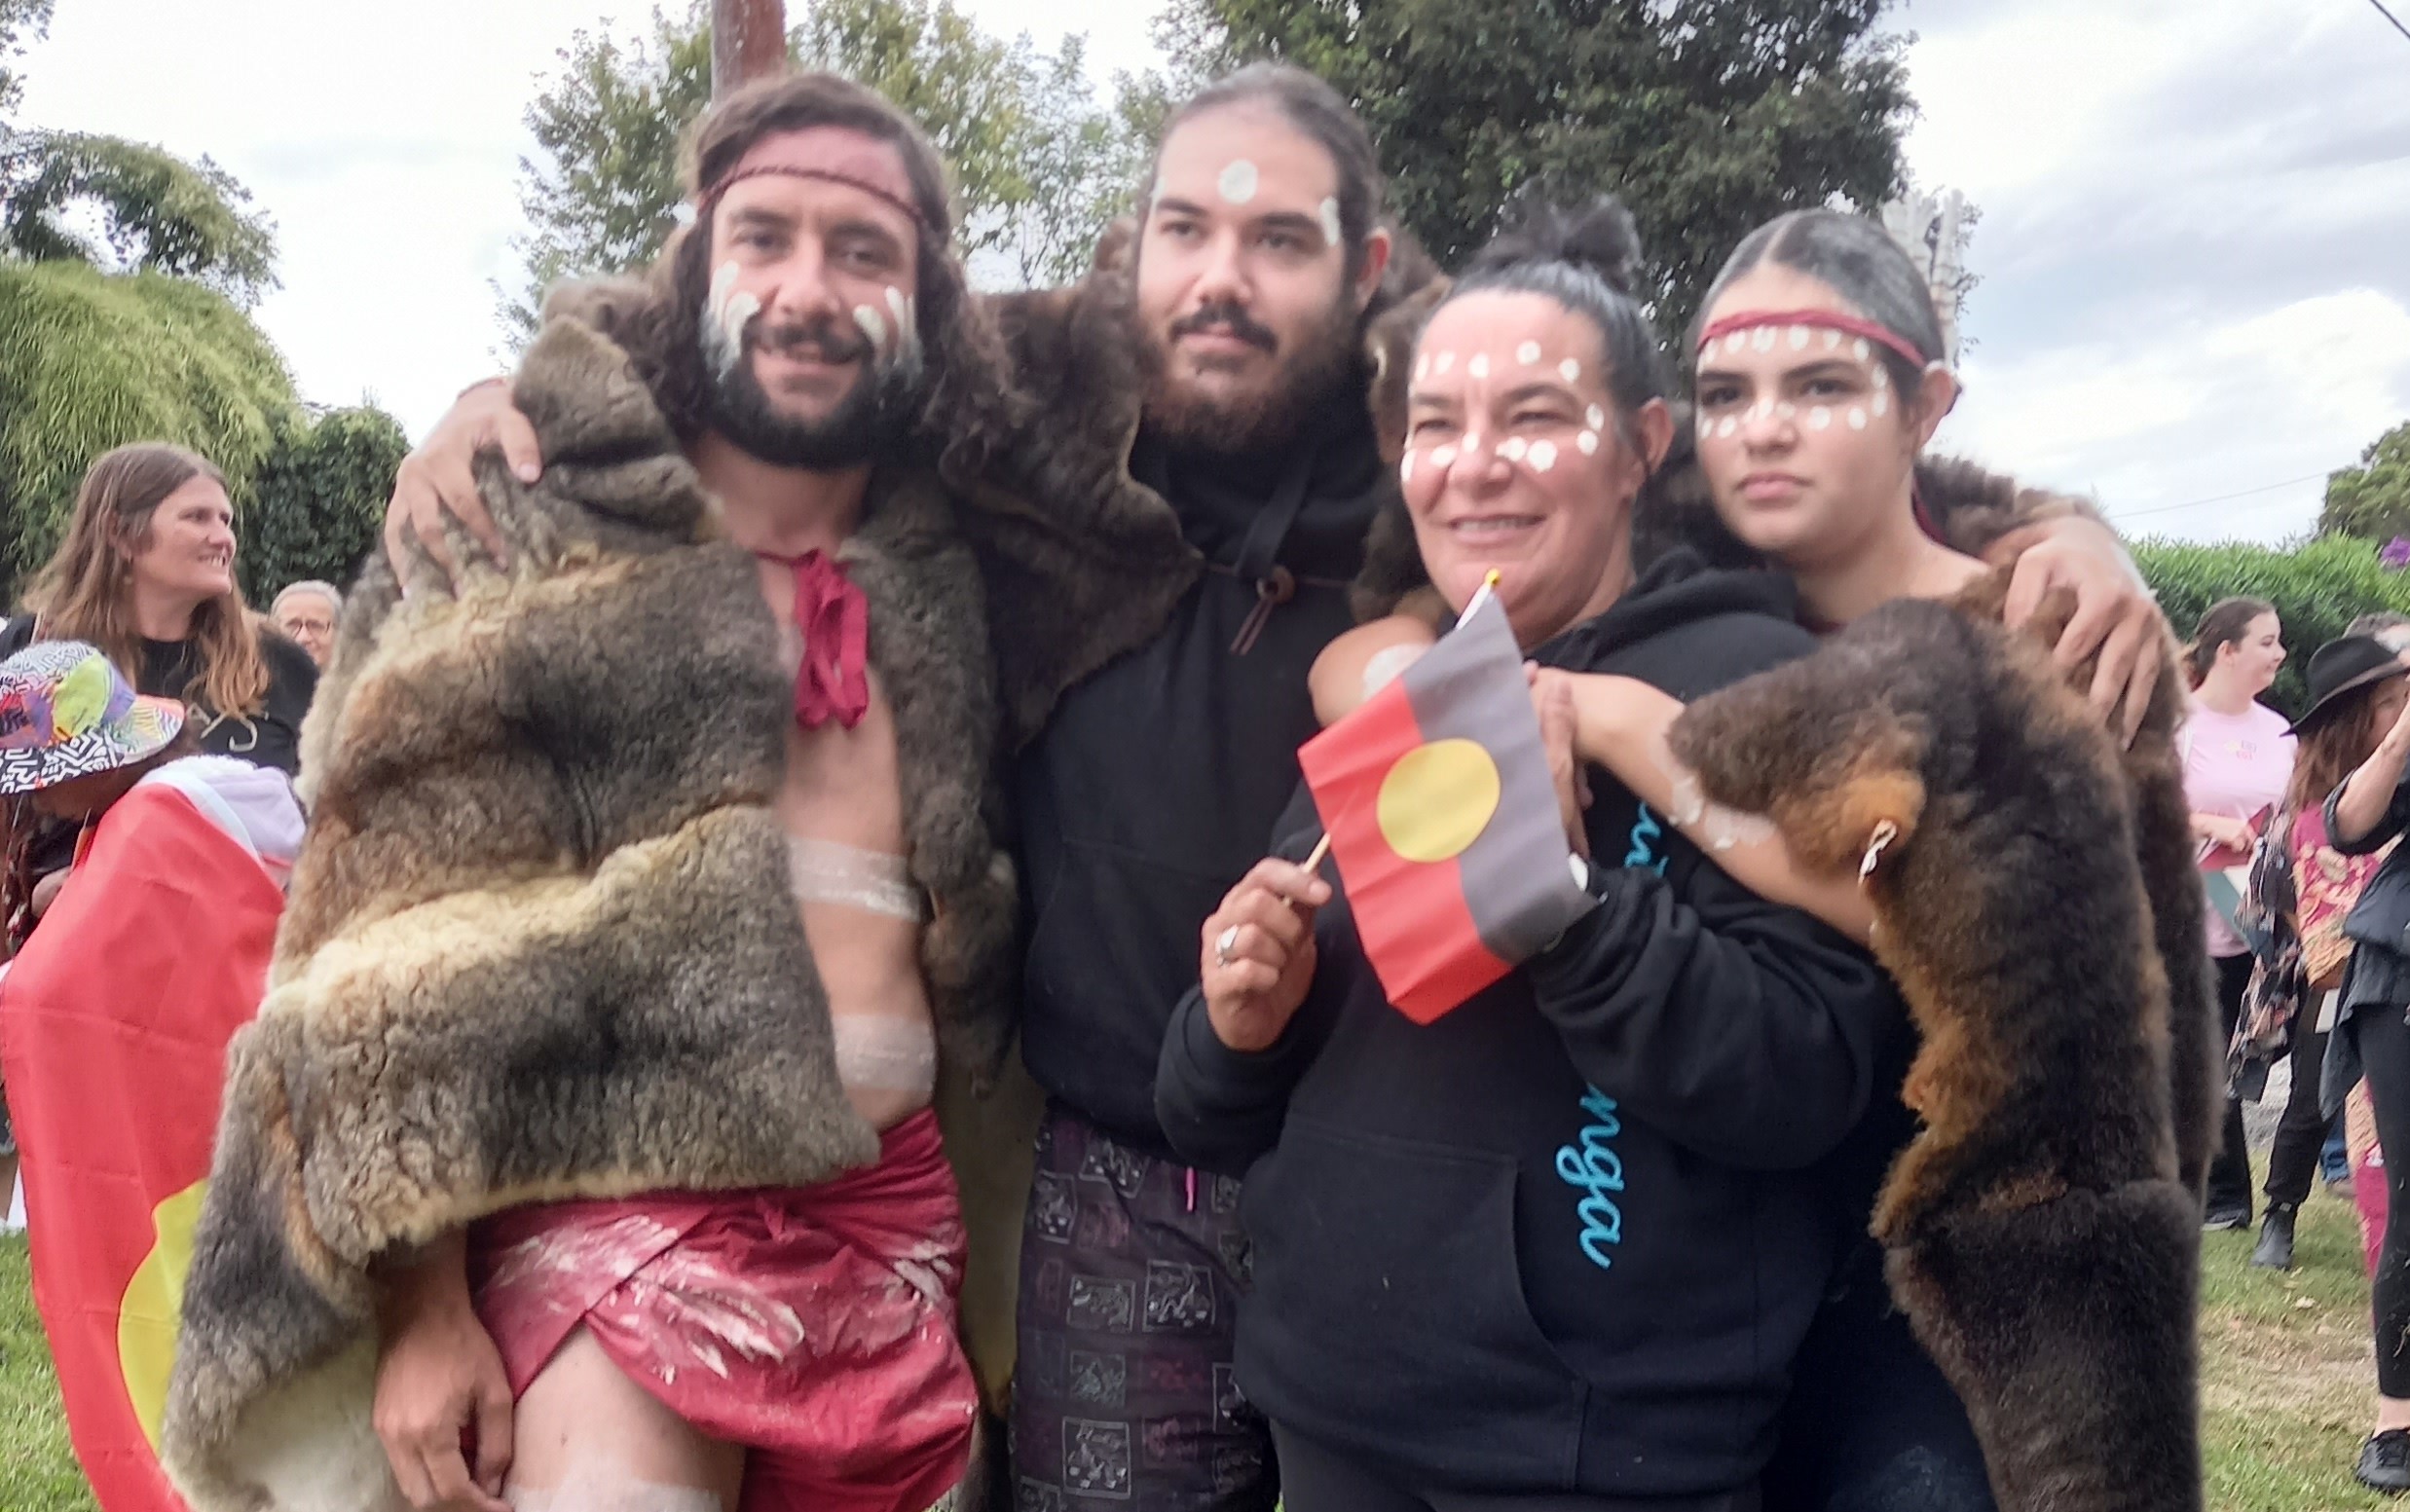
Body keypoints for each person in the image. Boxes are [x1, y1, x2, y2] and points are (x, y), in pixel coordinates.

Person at [389, 68, 2163, 1512]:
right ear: (1124, 252)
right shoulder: (1012, 427)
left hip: (1478, 1255)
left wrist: (2035, 529)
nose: (1224, 272)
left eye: (1280, 237)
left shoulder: (1430, 454)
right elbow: (779, 300)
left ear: (1366, 270)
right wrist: (522, 388)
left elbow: (1776, 467)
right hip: (1126, 1150)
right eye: (1185, 228)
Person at [325, 72, 1029, 1512]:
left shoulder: (968, 561)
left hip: (891, 1231)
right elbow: (385, 934)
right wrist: (419, 1302)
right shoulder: (536, 534)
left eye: (862, 252)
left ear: (930, 300)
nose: (807, 288)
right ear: (697, 262)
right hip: (613, 1227)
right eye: (763, 237)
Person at [1158, 194, 1894, 1511]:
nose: (1473, 464)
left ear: (1638, 448)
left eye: (1533, 418)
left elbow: (1809, 1081)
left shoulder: (1756, 689)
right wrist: (1232, 1021)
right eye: (1437, 426)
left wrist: (1566, 912)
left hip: (1604, 1458)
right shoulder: (1408, 692)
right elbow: (1207, 1105)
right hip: (1327, 1421)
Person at [0, 640, 303, 1512]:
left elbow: (62, 986)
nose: (34, 798)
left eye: (36, 778)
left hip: (218, 1130)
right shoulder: (147, 818)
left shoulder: (180, 807)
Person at [0, 444, 316, 939]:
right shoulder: (37, 649)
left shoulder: (279, 663)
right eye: (197, 517)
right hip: (70, 965)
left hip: (232, 969)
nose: (224, 538)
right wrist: (39, 889)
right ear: (121, 533)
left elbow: (339, 815)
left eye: (226, 520)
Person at [2241, 634, 2409, 1270]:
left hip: (2390, 967)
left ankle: (2383, 1219)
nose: (2401, 710)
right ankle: (2278, 1212)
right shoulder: (2307, 802)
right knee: (2311, 1095)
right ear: (2356, 717)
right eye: (2389, 701)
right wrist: (2321, 940)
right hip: (2330, 972)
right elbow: (2275, 892)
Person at [2318, 630, 2410, 1493]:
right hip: (2402, 975)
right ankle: (2396, 1420)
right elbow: (2346, 825)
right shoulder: (2394, 748)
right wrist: (2402, 730)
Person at [2180, 597, 2294, 1231]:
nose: (2279, 653)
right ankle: (2205, 1194)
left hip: (2254, 912)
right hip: (2179, 909)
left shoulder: (2280, 733)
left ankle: (2239, 1197)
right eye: (2265, 641)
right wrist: (2206, 822)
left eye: (2278, 641)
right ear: (2225, 651)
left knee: (2233, 1050)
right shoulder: (2174, 725)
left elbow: (2299, 808)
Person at [269, 579, 343, 667]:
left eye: (316, 626)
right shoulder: (255, 679)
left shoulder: (359, 679)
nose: (302, 638)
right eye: (291, 626)